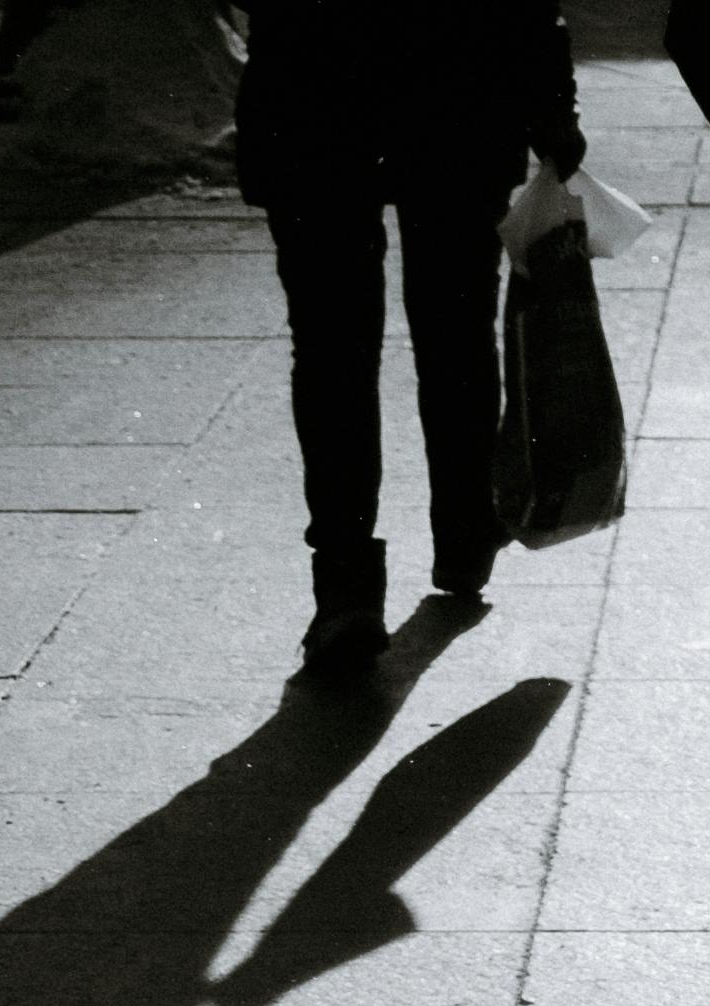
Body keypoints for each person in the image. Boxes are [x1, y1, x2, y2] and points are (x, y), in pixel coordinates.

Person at [235, 0, 583, 676]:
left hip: (313, 94)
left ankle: (346, 583)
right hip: (458, 92)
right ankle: (465, 528)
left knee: (332, 347)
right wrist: (553, 109)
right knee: (456, 334)